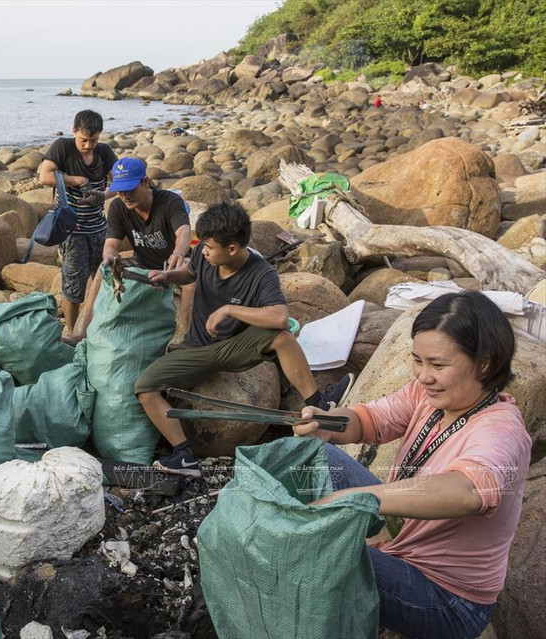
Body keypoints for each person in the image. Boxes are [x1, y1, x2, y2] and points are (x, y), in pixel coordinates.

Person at [295, 291, 530, 639]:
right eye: (417, 361)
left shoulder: (501, 430)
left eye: (437, 365)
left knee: (316, 554)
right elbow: (371, 418)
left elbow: (468, 491)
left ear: (485, 362)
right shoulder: (430, 395)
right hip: (398, 533)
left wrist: (357, 498)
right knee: (316, 457)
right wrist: (327, 422)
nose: (423, 375)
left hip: (447, 598)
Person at [137, 201, 354, 475]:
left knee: (281, 335)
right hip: (195, 349)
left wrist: (228, 309)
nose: (203, 251)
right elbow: (189, 272)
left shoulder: (261, 272)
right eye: (202, 245)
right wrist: (168, 276)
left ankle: (318, 404)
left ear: (232, 248)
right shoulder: (205, 257)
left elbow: (279, 317)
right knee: (144, 387)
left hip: (234, 348)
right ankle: (183, 456)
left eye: (209, 247)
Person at [65, 157, 191, 345]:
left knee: (191, 278)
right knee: (102, 269)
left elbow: (183, 231)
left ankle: (188, 338)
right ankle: (83, 332)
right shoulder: (118, 207)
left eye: (130, 189)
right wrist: (109, 255)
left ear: (146, 182)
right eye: (120, 191)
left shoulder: (169, 202)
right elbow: (111, 244)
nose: (125, 196)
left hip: (171, 266)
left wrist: (179, 253)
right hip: (143, 265)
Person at [38, 109, 118, 337]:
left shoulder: (104, 151)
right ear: (74, 131)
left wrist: (103, 195)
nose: (88, 145)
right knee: (73, 286)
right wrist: (76, 180)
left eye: (93, 140)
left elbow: (120, 182)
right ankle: (72, 332)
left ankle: (100, 327)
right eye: (84, 140)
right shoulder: (62, 147)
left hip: (100, 229)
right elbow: (44, 176)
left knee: (105, 280)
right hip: (72, 232)